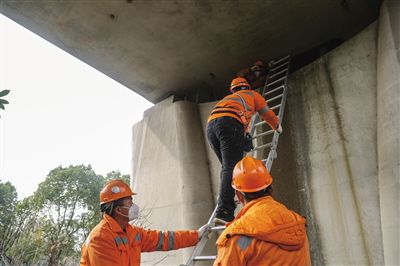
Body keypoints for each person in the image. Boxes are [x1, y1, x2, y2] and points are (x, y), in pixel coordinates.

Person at [206, 77, 282, 224]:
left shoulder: (227, 99)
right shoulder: (253, 95)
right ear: (247, 87)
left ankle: (225, 198)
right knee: (231, 168)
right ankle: (225, 210)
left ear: (232, 90)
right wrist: (277, 126)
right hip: (229, 123)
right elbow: (267, 113)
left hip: (211, 126)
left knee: (229, 168)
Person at [80, 179, 207, 266]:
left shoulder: (131, 232)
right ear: (118, 210)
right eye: (130, 203)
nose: (134, 206)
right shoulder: (100, 238)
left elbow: (163, 239)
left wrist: (196, 235)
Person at [214, 156, 311, 266]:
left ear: (239, 195)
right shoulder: (296, 223)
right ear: (270, 188)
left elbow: (245, 245)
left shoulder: (240, 237)